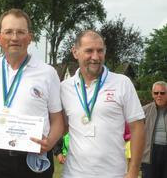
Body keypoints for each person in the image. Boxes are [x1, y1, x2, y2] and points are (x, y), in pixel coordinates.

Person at [0, 8, 64, 178]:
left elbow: (58, 120)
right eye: (8, 32)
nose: (14, 38)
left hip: (34, 157)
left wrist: (50, 142)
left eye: (20, 32)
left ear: (30, 37)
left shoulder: (47, 72)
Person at [60, 30, 145, 178]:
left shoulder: (122, 83)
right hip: (73, 174)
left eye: (100, 51)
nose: (95, 57)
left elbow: (138, 128)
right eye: (89, 51)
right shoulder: (64, 87)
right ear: (75, 52)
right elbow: (61, 127)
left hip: (114, 174)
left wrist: (132, 172)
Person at [141, 81, 167, 178]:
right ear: (152, 94)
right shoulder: (144, 110)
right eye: (156, 93)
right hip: (150, 152)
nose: (159, 95)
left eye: (162, 93)